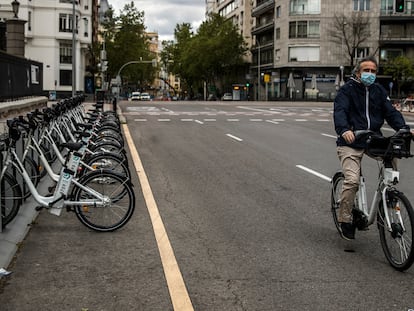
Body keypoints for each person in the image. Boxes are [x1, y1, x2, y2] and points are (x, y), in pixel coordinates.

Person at [333, 55, 410, 240]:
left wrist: (403, 128)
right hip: (351, 141)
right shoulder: (347, 91)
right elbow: (340, 111)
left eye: (373, 71)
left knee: (393, 155)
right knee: (351, 180)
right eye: (366, 70)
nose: (370, 74)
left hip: (373, 139)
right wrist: (344, 130)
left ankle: (389, 194)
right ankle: (345, 219)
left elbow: (391, 112)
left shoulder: (379, 91)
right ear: (358, 73)